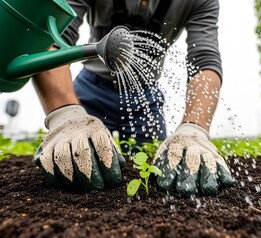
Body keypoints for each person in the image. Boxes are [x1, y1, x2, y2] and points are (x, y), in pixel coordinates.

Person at [33, 0, 235, 195]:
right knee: (76, 162)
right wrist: (65, 113)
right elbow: (52, 37)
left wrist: (195, 127)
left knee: (157, 169)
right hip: (91, 88)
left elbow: (204, 59)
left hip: (145, 98)